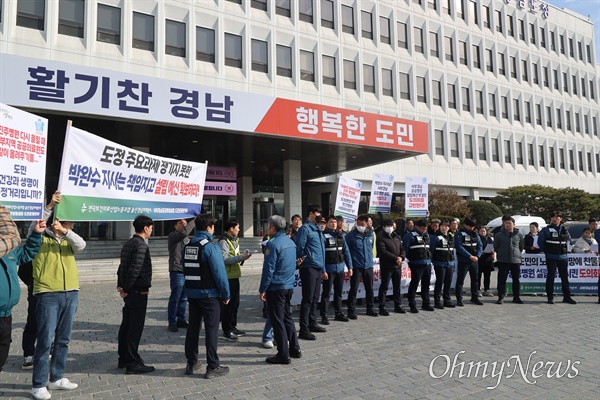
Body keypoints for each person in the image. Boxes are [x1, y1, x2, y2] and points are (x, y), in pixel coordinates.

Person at [30, 217, 86, 400]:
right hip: (48, 293)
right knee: (45, 340)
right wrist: (50, 205)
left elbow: (82, 244)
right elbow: (34, 227)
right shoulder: (40, 238)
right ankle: (38, 384)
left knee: (63, 339)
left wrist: (66, 232)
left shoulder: (69, 241)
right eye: (70, 223)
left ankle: (57, 377)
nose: (72, 226)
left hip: (71, 292)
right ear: (57, 222)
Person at [183, 214, 231, 378]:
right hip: (209, 295)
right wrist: (226, 294)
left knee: (193, 328)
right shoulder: (211, 247)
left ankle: (192, 362)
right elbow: (220, 274)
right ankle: (213, 366)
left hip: (192, 294)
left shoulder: (188, 245)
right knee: (211, 330)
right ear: (209, 228)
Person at [20, 191, 61, 370]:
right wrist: (50, 206)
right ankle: (28, 354)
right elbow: (35, 226)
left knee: (51, 321)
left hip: (55, 287)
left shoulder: (58, 239)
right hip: (37, 287)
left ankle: (48, 347)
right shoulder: (36, 237)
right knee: (33, 321)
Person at [0, 219, 45, 372]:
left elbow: (27, 252)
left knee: (2, 353)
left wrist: (36, 234)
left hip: (5, 314)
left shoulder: (9, 250)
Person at [259, 216, 302, 364]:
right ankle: (295, 348)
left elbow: (268, 270)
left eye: (268, 226)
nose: (267, 229)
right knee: (287, 318)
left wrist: (262, 289)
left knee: (278, 321)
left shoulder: (273, 244)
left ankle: (283, 354)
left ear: (273, 228)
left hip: (276, 287)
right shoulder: (290, 242)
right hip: (288, 286)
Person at [117, 215, 155, 375]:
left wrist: (121, 286)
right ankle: (132, 362)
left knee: (126, 326)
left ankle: (124, 358)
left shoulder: (129, 243)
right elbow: (135, 269)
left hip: (130, 291)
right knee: (134, 328)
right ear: (145, 228)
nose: (152, 231)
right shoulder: (141, 245)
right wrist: (126, 287)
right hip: (137, 292)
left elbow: (122, 267)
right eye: (151, 228)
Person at [295, 204, 327, 340]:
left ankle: (312, 322)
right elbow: (300, 248)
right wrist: (303, 262)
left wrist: (323, 269)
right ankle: (304, 328)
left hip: (318, 267)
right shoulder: (305, 229)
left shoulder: (317, 229)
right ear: (311, 214)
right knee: (307, 299)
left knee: (315, 298)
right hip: (309, 268)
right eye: (317, 213)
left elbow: (322, 251)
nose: (319, 215)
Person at [218, 218, 251, 341]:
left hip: (235, 275)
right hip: (228, 277)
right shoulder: (224, 241)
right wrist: (240, 257)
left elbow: (234, 256)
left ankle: (233, 326)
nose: (239, 230)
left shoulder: (235, 240)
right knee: (229, 304)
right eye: (237, 227)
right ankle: (227, 330)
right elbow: (224, 259)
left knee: (235, 303)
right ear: (231, 229)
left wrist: (242, 258)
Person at [320, 215, 353, 323]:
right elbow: (322, 255)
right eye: (331, 222)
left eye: (335, 222)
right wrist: (323, 270)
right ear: (327, 224)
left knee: (339, 293)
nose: (333, 224)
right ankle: (324, 315)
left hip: (340, 269)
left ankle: (338, 312)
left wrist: (350, 267)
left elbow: (346, 252)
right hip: (329, 270)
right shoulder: (323, 236)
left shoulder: (341, 235)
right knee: (326, 293)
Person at [538, 211, 576, 305]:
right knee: (550, 277)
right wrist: (548, 251)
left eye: (557, 217)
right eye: (553, 217)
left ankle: (567, 297)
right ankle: (550, 297)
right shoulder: (546, 230)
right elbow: (540, 242)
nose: (555, 219)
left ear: (561, 219)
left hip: (563, 257)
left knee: (564, 277)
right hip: (551, 257)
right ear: (551, 219)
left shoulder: (565, 230)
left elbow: (569, 241)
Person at [345, 215, 378, 319]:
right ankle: (351, 311)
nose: (362, 226)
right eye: (359, 224)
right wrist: (350, 266)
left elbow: (371, 249)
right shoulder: (350, 236)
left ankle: (370, 308)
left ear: (367, 224)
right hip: (356, 267)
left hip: (368, 266)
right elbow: (347, 252)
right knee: (354, 289)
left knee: (370, 289)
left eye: (363, 224)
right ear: (357, 223)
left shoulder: (370, 235)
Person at [167, 217, 195, 332]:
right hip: (177, 270)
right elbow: (183, 233)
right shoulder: (173, 236)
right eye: (180, 223)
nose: (184, 225)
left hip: (186, 270)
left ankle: (181, 319)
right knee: (175, 297)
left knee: (184, 297)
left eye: (185, 223)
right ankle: (172, 321)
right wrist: (194, 221)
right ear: (175, 226)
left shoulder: (186, 238)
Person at [402, 220, 434, 313]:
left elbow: (429, 248)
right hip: (416, 263)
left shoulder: (426, 235)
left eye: (425, 228)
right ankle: (412, 305)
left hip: (427, 263)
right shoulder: (410, 235)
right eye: (422, 228)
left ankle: (426, 303)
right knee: (414, 284)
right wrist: (411, 260)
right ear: (417, 226)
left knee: (426, 284)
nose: (424, 229)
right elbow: (406, 249)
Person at [377, 219, 406, 315]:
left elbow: (402, 249)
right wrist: (395, 258)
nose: (390, 228)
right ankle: (382, 307)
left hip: (397, 266)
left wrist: (401, 257)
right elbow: (383, 252)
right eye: (388, 226)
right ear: (384, 227)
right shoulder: (381, 237)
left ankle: (398, 305)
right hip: (387, 266)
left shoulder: (396, 236)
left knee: (397, 287)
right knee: (384, 287)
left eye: (391, 226)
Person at [494, 216, 525, 305]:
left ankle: (516, 297)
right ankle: (501, 297)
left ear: (514, 224)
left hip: (516, 260)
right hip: (503, 260)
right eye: (506, 223)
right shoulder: (499, 235)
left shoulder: (519, 235)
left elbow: (521, 246)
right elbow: (496, 247)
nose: (507, 225)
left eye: (509, 223)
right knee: (502, 279)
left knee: (516, 279)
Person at [454, 216, 483, 306]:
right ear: (465, 225)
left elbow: (480, 245)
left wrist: (477, 256)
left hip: (474, 260)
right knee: (460, 280)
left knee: (475, 280)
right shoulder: (459, 234)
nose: (471, 228)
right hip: (464, 260)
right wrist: (469, 256)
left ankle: (475, 297)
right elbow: (459, 247)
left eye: (473, 226)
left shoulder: (475, 234)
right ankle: (459, 298)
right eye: (469, 226)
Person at [430, 220, 456, 309]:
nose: (444, 228)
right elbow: (431, 250)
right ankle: (437, 301)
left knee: (448, 282)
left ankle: (447, 300)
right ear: (439, 227)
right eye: (442, 226)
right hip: (439, 263)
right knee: (440, 282)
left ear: (449, 228)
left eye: (446, 226)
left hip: (450, 263)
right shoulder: (435, 237)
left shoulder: (451, 236)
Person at [477, 227, 495, 297]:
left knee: (487, 276)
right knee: (478, 276)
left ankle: (486, 290)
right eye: (481, 231)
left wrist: (492, 250)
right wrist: (479, 252)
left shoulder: (489, 239)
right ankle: (478, 289)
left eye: (484, 231)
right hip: (479, 259)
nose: (482, 232)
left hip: (488, 260)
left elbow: (493, 247)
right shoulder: (477, 239)